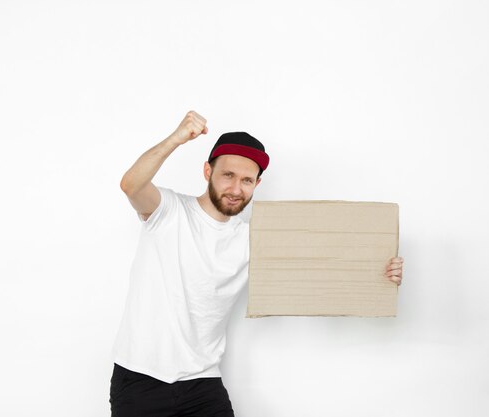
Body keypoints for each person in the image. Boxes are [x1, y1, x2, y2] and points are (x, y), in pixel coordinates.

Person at [109, 111, 404, 417]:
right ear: (207, 171)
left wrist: (381, 272)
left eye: (247, 180)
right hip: (139, 379)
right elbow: (131, 185)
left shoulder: (253, 239)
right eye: (228, 175)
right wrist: (176, 138)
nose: (236, 189)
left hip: (202, 383)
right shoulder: (168, 211)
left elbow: (323, 265)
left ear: (257, 183)